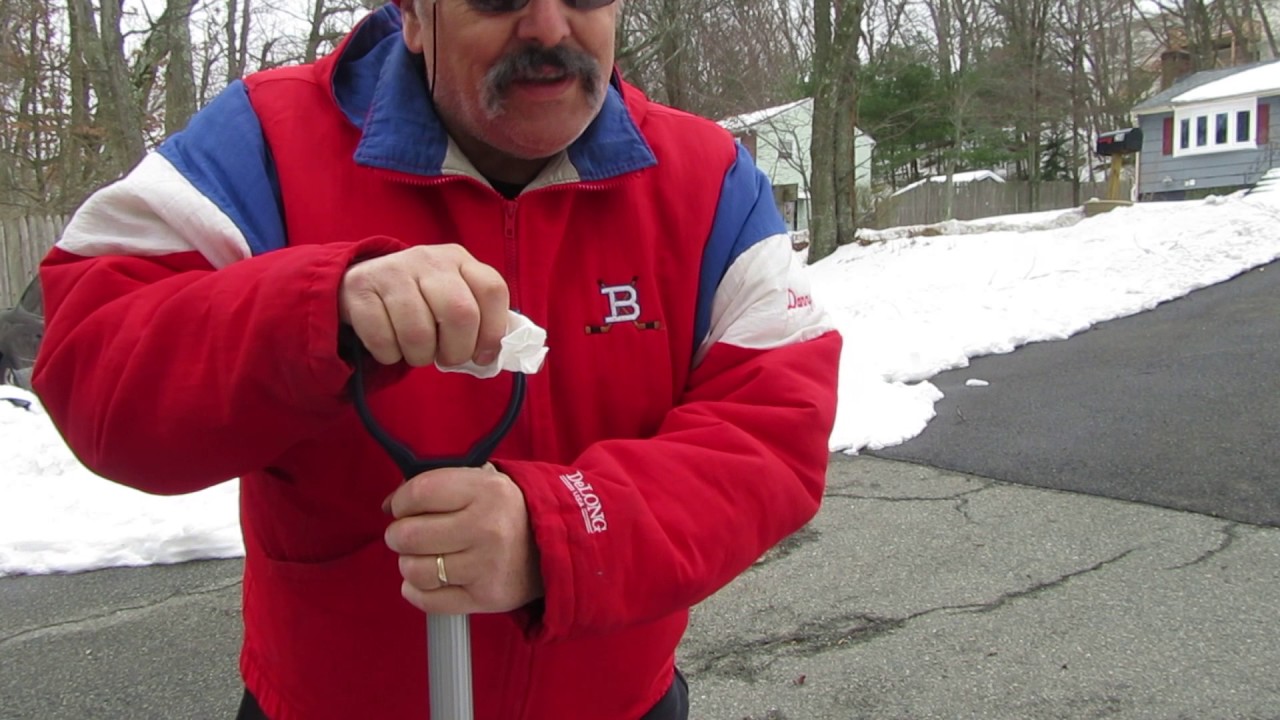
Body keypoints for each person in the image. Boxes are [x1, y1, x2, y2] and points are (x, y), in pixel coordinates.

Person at [33, 0, 842, 718]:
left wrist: (555, 535)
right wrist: (317, 307)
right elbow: (92, 365)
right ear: (416, 16)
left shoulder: (709, 179)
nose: (550, 27)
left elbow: (774, 436)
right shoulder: (263, 143)